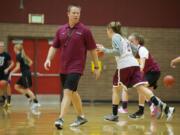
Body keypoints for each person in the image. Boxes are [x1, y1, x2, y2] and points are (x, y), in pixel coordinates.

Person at [97, 21, 175, 122]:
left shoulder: (115, 36)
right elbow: (135, 50)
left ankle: (114, 114)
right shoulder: (124, 38)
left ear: (110, 30)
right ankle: (165, 107)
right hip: (134, 65)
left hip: (124, 66)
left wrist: (104, 49)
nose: (106, 32)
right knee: (141, 88)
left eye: (106, 30)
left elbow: (118, 51)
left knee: (115, 89)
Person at [44, 4, 100, 129]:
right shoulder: (61, 30)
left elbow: (93, 50)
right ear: (68, 14)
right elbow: (54, 46)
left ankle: (60, 119)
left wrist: (96, 67)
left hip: (77, 67)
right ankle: (81, 117)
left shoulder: (85, 31)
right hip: (63, 67)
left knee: (67, 92)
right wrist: (48, 59)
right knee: (73, 92)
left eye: (78, 13)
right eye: (73, 13)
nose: (76, 15)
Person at [127, 33, 161, 119]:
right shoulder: (134, 52)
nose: (130, 43)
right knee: (145, 92)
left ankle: (152, 107)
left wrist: (138, 72)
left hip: (153, 72)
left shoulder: (142, 49)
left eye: (131, 41)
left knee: (141, 88)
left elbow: (142, 64)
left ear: (137, 41)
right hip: (148, 72)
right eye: (129, 41)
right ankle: (152, 107)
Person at [10, 44, 40, 114]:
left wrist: (10, 73)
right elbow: (31, 62)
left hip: (26, 74)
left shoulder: (18, 56)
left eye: (14, 48)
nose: (14, 50)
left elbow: (17, 67)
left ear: (16, 49)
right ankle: (29, 97)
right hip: (25, 73)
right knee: (16, 86)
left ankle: (36, 102)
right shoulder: (23, 55)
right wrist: (26, 66)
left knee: (27, 89)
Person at [0, 41, 14, 107]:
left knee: (5, 85)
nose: (1, 47)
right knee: (2, 86)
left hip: (5, 73)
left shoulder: (6, 55)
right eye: (0, 46)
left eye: (2, 46)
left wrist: (8, 69)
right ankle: (3, 98)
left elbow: (12, 63)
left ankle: (8, 101)